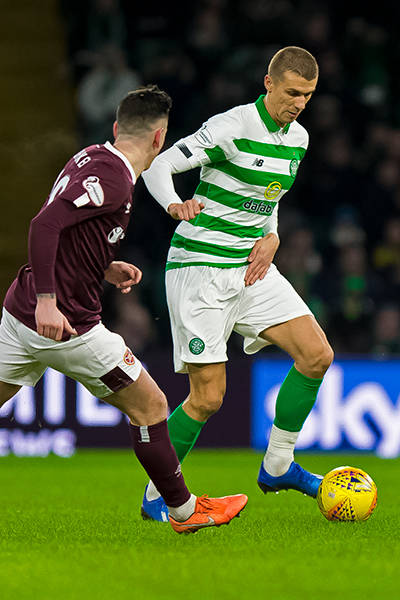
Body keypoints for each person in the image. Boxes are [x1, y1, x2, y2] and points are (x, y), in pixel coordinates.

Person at [0, 85, 247, 534]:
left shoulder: (92, 156)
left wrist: (102, 265)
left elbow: (69, 231)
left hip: (18, 313)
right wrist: (49, 302)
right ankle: (184, 511)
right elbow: (44, 225)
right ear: (159, 138)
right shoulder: (114, 178)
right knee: (151, 406)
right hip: (67, 326)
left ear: (117, 127)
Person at [141, 47, 334, 521]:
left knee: (316, 354)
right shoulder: (232, 126)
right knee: (208, 398)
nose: (299, 103)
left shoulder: (299, 138)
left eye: (308, 96)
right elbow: (157, 166)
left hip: (250, 265)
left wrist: (273, 234)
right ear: (268, 83)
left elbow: (268, 197)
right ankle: (157, 497)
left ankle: (278, 465)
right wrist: (173, 205)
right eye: (292, 92)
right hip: (201, 266)